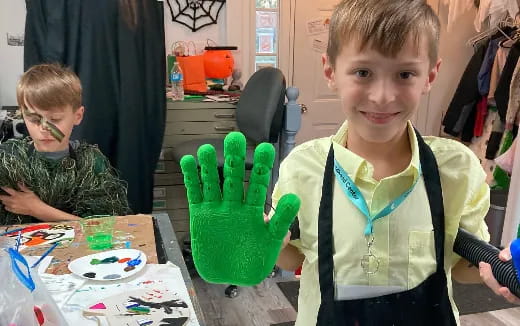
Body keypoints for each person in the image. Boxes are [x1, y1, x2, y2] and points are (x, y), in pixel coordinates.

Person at [270, 0, 520, 325]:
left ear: (430, 76)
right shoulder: (303, 168)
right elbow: (294, 256)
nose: (382, 96)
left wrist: (503, 270)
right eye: (363, 72)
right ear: (331, 72)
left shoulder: (456, 169)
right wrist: (263, 242)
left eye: (405, 74)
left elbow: (461, 266)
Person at [0, 63, 131, 225]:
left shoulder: (91, 163)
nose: (44, 129)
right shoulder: (8, 160)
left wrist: (37, 209)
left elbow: (104, 227)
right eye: (34, 119)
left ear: (77, 116)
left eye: (54, 119)